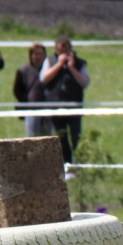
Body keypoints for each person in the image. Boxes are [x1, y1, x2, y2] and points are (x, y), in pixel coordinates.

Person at [39, 36, 89, 166]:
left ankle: (78, 163)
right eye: (61, 51)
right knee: (61, 137)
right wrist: (59, 64)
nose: (64, 54)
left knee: (76, 136)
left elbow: (84, 82)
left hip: (74, 107)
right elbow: (44, 79)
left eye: (66, 51)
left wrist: (72, 68)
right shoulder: (49, 61)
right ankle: (66, 164)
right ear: (56, 51)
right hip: (55, 107)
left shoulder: (80, 63)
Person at [13, 42, 48, 137]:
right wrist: (27, 102)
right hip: (31, 110)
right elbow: (17, 90)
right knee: (32, 138)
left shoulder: (50, 70)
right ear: (31, 55)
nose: (38, 57)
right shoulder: (23, 71)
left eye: (40, 54)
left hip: (48, 109)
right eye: (35, 54)